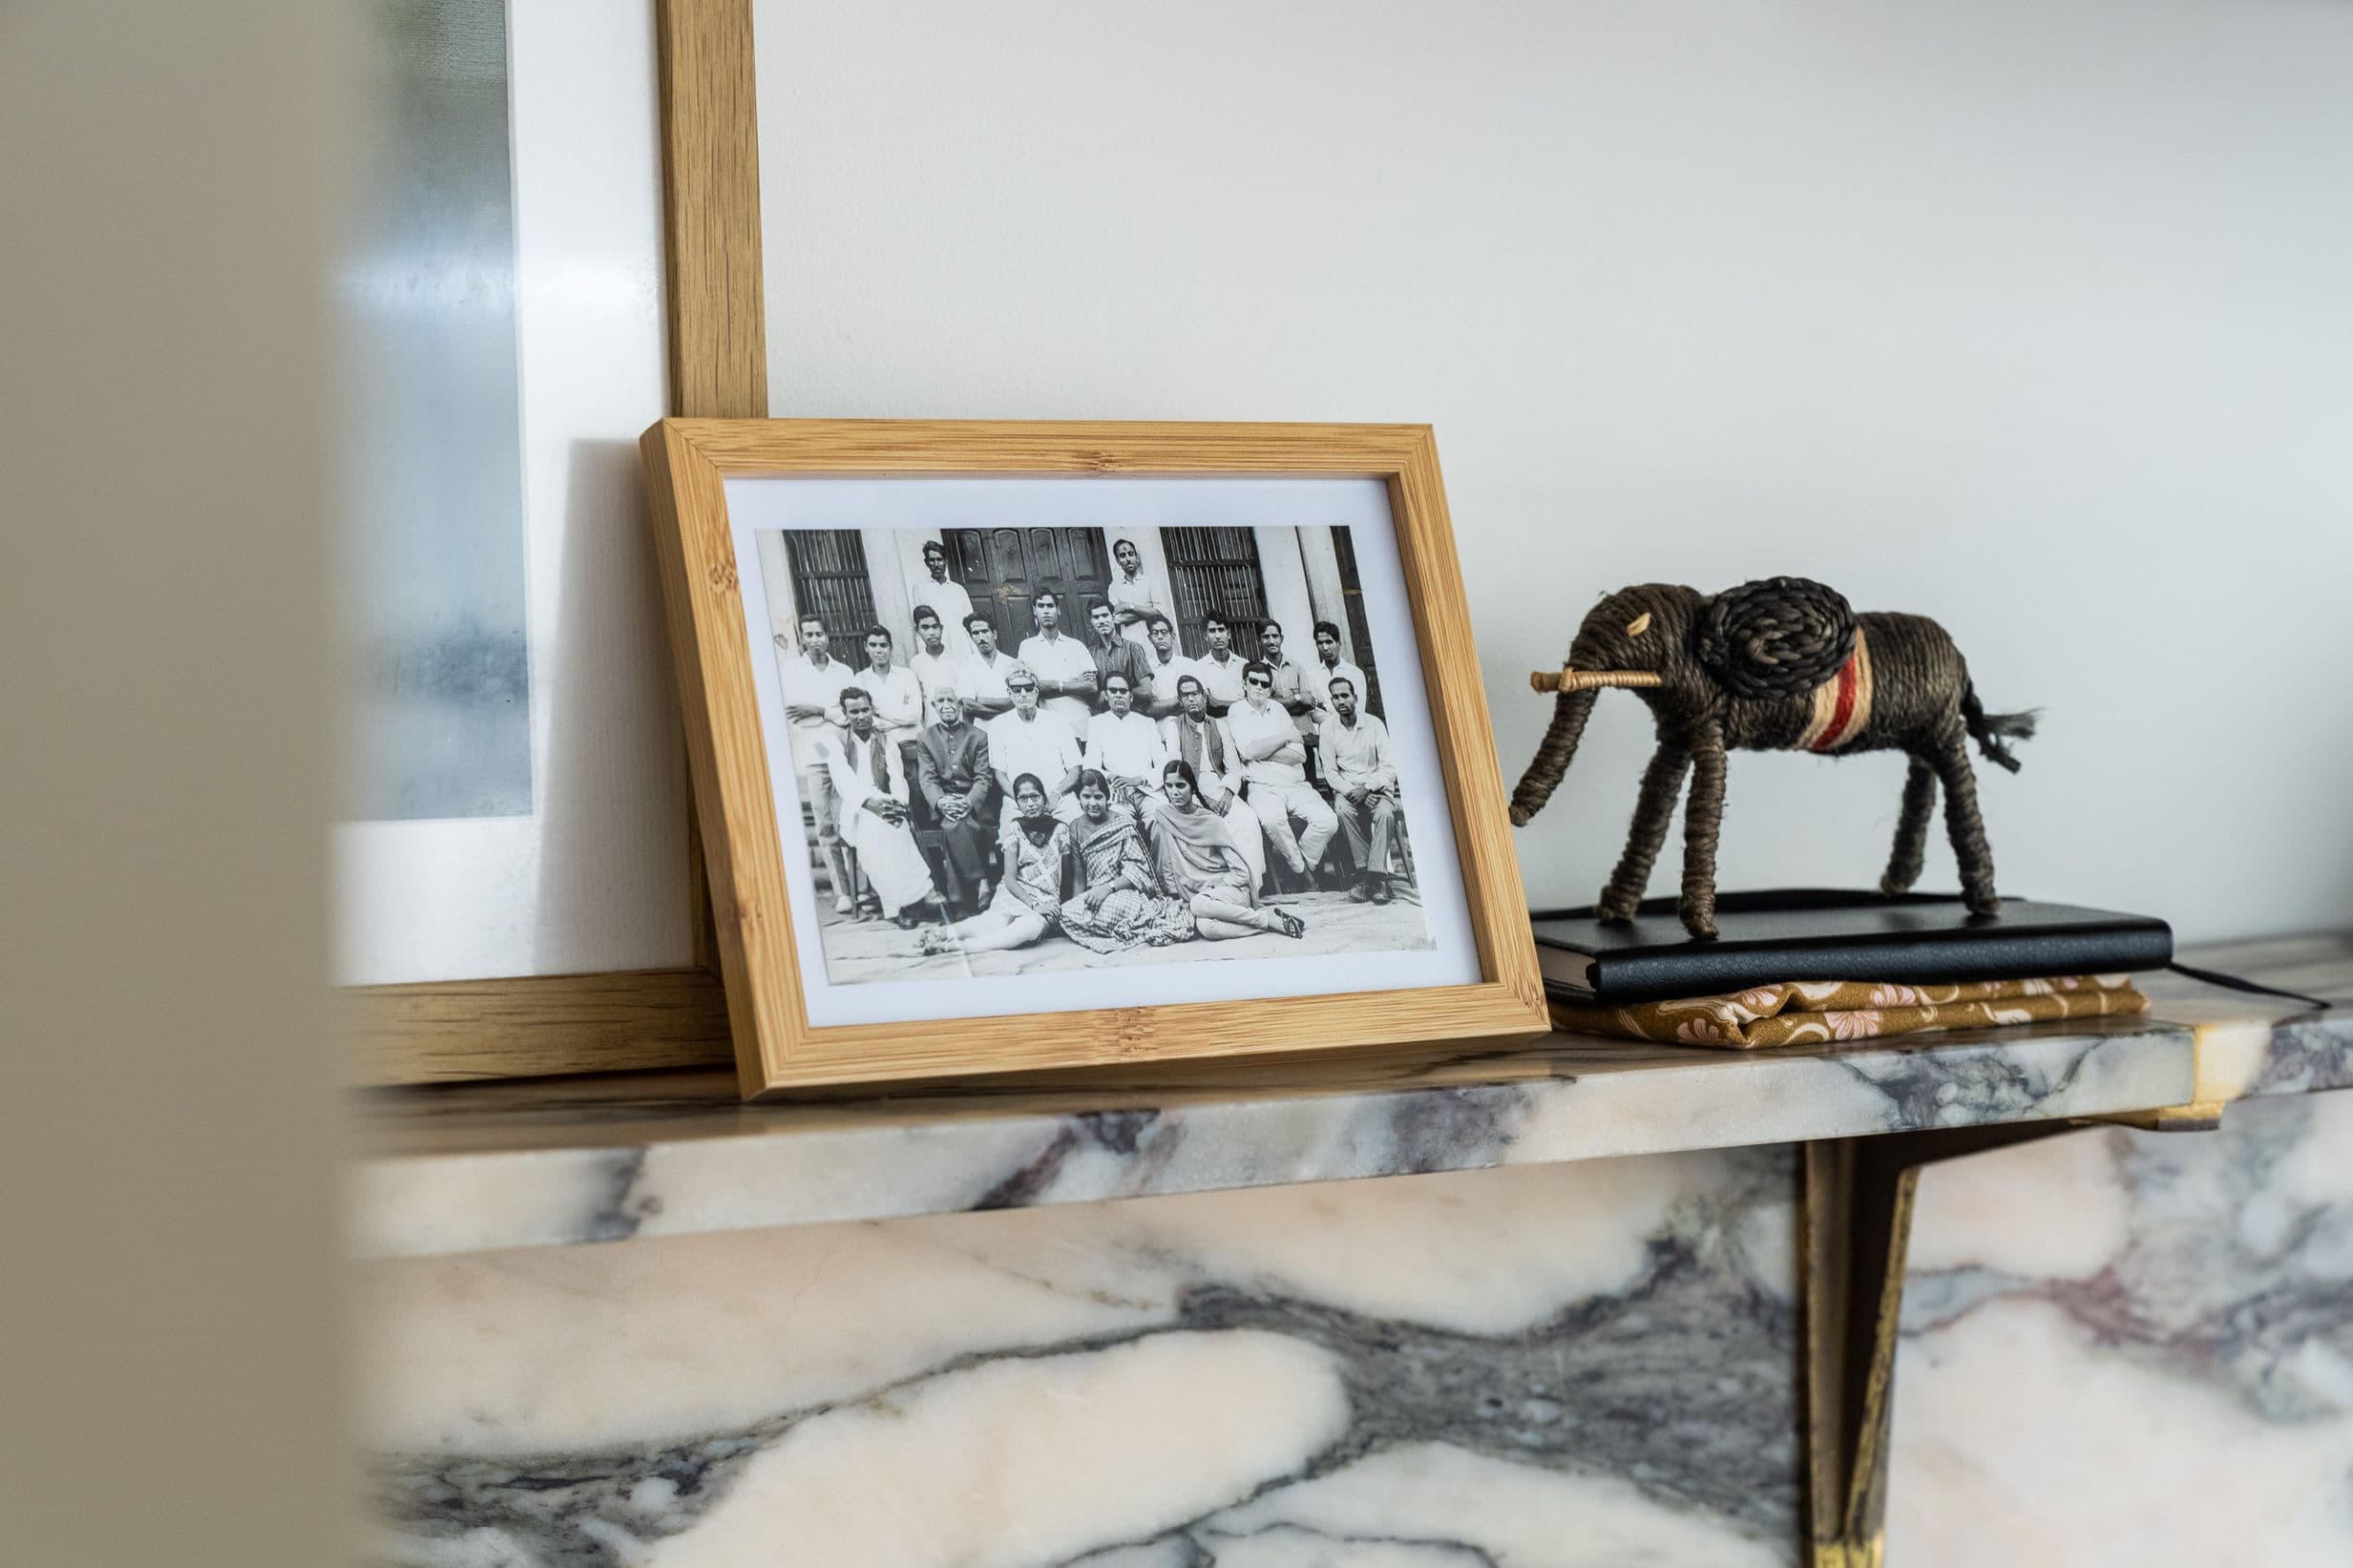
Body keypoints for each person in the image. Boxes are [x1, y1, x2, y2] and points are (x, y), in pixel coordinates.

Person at [818, 687, 941, 928]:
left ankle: (917, 897)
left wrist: (898, 805)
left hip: (887, 803)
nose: (861, 716)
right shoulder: (836, 742)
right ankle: (896, 907)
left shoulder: (885, 740)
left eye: (865, 710)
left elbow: (897, 777)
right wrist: (870, 804)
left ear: (872, 710)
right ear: (845, 713)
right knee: (876, 833)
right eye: (854, 712)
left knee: (897, 829)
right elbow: (844, 782)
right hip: (854, 809)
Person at [1150, 761, 1304, 941]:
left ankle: (1265, 918)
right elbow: (1166, 867)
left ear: (1192, 788)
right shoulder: (1164, 818)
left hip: (1230, 891)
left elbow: (1240, 873)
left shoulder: (1210, 821)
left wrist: (1213, 890)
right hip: (1198, 898)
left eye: (1180, 785)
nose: (1174, 792)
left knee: (1198, 904)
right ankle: (1266, 924)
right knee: (1205, 927)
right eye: (1169, 786)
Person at [918, 773, 1068, 957]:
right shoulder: (1015, 828)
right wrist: (1034, 904)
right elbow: (1011, 880)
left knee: (1025, 930)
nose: (1030, 804)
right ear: (1017, 804)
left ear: (1044, 799)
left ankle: (955, 947)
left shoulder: (1061, 830)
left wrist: (1060, 909)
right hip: (1017, 894)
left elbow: (1068, 876)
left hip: (1046, 900)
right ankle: (942, 934)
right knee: (992, 923)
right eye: (1023, 798)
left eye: (1035, 797)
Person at [1057, 770, 1196, 953]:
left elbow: (1136, 872)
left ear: (1107, 797)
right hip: (1095, 895)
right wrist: (1080, 904)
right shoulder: (1075, 827)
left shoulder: (1122, 823)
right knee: (1066, 912)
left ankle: (1125, 926)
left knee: (1116, 906)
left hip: (1121, 891)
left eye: (1098, 797)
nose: (1093, 803)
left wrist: (1107, 888)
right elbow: (1079, 876)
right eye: (1086, 797)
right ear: (1079, 798)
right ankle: (1124, 926)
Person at [1229, 659, 1338, 889]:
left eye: (1265, 684)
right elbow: (1247, 750)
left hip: (1295, 784)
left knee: (1328, 821)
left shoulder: (1278, 709)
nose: (1259, 687)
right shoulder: (1237, 710)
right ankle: (1304, 875)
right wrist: (1283, 738)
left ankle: (1298, 867)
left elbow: (1299, 755)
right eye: (1254, 682)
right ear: (1244, 684)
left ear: (1270, 688)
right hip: (1263, 787)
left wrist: (1261, 750)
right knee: (1272, 820)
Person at [1159, 672, 1267, 890]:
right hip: (1191, 791)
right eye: (1186, 696)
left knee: (1246, 818)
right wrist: (1201, 797)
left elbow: (1233, 768)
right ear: (1180, 701)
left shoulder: (1220, 725)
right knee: (1217, 824)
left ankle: (1252, 885)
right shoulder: (1174, 726)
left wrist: (1228, 794)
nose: (1191, 699)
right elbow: (1175, 771)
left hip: (1221, 785)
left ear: (1204, 697)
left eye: (1195, 694)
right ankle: (1225, 886)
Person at [774, 612, 851, 910]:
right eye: (808, 635)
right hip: (816, 754)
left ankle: (863, 887)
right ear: (802, 639)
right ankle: (843, 891)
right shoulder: (792, 672)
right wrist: (829, 711)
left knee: (849, 816)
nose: (814, 640)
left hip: (843, 751)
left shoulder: (843, 672)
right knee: (825, 821)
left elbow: (849, 712)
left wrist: (820, 710)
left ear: (827, 636)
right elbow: (794, 711)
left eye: (819, 634)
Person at [1317, 676, 1400, 905]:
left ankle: (1374, 878)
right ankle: (1369, 876)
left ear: (1355, 697)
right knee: (1342, 811)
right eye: (1335, 697)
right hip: (1348, 791)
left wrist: (1368, 788)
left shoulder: (1374, 724)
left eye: (1345, 696)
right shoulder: (1327, 728)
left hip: (1377, 788)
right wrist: (1354, 791)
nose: (1341, 701)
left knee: (1384, 814)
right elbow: (1331, 773)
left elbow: (1388, 767)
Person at [914, 687, 998, 909]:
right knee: (956, 821)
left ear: (960, 705)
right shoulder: (925, 737)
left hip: (974, 800)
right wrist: (941, 802)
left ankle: (959, 900)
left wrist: (969, 801)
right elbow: (928, 779)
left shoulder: (978, 736)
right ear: (934, 706)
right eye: (940, 700)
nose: (946, 705)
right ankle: (981, 883)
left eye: (951, 700)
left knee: (954, 825)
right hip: (944, 801)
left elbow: (983, 776)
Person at [986, 666, 1083, 819]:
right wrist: (1022, 800)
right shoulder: (997, 725)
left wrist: (1056, 795)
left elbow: (1074, 770)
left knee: (1076, 834)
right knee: (1009, 838)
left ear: (1036, 692)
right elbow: (1000, 775)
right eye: (1017, 690)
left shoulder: (1058, 721)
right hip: (1017, 801)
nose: (1023, 694)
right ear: (1009, 693)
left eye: (1028, 688)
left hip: (1059, 799)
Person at [1081, 671, 1169, 820]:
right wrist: (1111, 778)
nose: (1118, 695)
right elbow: (1090, 765)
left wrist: (1140, 779)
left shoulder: (1147, 723)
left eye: (1123, 691)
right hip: (1115, 791)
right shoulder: (1096, 724)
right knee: (1120, 823)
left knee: (1160, 817)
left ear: (1131, 696)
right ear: (1106, 695)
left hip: (1146, 790)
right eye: (1113, 691)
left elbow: (1164, 763)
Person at [1015, 590, 1097, 725]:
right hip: (1048, 724)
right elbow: (1029, 686)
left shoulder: (1076, 645)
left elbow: (1092, 686)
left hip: (1081, 720)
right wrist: (1076, 685)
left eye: (1050, 606)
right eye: (1041, 606)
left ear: (1058, 610)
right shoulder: (1027, 647)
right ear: (1035, 611)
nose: (1046, 611)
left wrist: (1052, 686)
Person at [834, 625, 922, 738]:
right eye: (873, 645)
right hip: (882, 744)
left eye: (883, 645)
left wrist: (879, 712)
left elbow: (914, 715)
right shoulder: (860, 679)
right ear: (866, 647)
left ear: (890, 647)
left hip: (912, 740)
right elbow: (864, 718)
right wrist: (900, 719)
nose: (878, 650)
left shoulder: (907, 675)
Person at [908, 540, 976, 663]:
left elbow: (971, 624)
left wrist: (975, 653)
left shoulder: (958, 590)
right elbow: (920, 625)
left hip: (962, 648)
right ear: (926, 563)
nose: (936, 564)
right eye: (931, 560)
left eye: (939, 560)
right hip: (938, 649)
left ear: (946, 562)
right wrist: (925, 654)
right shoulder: (920, 588)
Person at [1084, 599, 1150, 713]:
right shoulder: (1090, 653)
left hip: (1133, 715)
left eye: (1105, 615)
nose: (1101, 621)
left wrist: (1109, 694)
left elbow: (1146, 691)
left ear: (1113, 617)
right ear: (1092, 621)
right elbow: (1090, 691)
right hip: (1106, 719)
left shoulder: (1133, 648)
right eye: (1096, 617)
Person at [1257, 619, 1319, 735]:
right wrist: (1297, 698)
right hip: (1277, 737)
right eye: (1266, 637)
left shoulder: (1297, 667)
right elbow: (1264, 707)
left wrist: (1277, 704)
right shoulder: (1258, 672)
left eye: (1275, 636)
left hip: (1305, 734)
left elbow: (1309, 703)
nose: (1271, 641)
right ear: (1259, 641)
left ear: (1281, 639)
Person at [954, 612, 1019, 720]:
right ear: (971, 637)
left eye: (984, 631)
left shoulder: (1012, 663)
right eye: (975, 633)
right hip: (982, 732)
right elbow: (968, 706)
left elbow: (1016, 700)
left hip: (1011, 729)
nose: (981, 637)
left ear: (994, 634)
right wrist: (1002, 714)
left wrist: (982, 700)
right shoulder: (966, 667)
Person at [1308, 620, 1370, 728]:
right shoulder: (1313, 675)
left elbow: (1357, 710)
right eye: (1320, 643)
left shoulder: (1354, 673)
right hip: (1326, 735)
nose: (1325, 648)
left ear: (1338, 644)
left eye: (1329, 642)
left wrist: (1325, 706)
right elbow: (1313, 712)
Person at [1137, 613, 1198, 718]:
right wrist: (1182, 698)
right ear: (1150, 638)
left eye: (1164, 632)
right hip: (1161, 727)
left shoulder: (1190, 665)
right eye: (1155, 633)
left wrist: (1162, 706)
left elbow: (1199, 700)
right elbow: (1149, 709)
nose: (1160, 637)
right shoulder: (1146, 669)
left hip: (1189, 723)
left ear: (1173, 636)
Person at [1192, 614, 1250, 714]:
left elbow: (1253, 700)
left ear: (1229, 634)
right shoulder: (1199, 667)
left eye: (1221, 630)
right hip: (1218, 724)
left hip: (1245, 720)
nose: (1218, 636)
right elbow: (1209, 704)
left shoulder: (1243, 664)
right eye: (1212, 631)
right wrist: (1243, 704)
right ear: (1206, 636)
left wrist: (1220, 703)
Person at [907, 605, 959, 709]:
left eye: (935, 627)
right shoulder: (916, 663)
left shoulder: (957, 658)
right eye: (925, 628)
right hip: (931, 722)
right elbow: (916, 701)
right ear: (917, 630)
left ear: (941, 628)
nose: (931, 633)